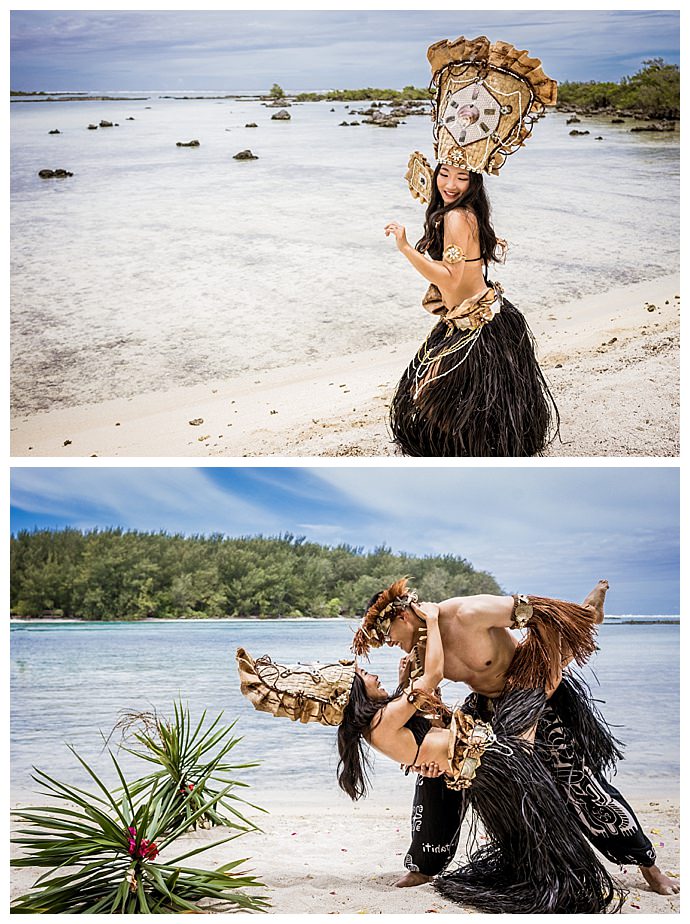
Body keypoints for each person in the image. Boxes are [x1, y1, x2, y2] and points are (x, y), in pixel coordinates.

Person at [236, 617, 622, 914]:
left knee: (540, 684)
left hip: (484, 760)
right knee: (542, 682)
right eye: (363, 676)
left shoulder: (380, 721)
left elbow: (427, 709)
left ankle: (579, 624)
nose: (372, 673)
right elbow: (433, 676)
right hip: (497, 759)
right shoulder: (383, 721)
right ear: (355, 695)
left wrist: (407, 680)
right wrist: (434, 621)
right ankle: (577, 622)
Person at [353, 577, 679, 897]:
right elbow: (429, 712)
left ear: (403, 616)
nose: (387, 643)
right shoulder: (421, 651)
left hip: (528, 691)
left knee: (577, 782)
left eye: (387, 635)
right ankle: (424, 865)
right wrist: (430, 759)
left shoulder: (469, 612)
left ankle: (648, 865)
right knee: (434, 780)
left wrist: (546, 678)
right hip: (483, 707)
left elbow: (542, 615)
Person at [385, 35, 559, 456]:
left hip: (474, 323)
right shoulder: (465, 214)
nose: (449, 184)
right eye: (445, 174)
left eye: (461, 179)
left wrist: (406, 248)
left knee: (438, 396)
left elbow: (450, 276)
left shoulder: (458, 216)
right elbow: (462, 268)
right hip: (478, 315)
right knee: (466, 403)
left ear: (473, 182)